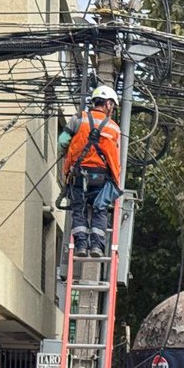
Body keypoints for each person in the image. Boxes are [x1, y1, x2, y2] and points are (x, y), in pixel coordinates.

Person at [62, 85, 122, 257]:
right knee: (100, 210)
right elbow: (115, 158)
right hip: (101, 176)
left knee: (78, 208)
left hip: (78, 174)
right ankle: (96, 247)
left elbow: (62, 141)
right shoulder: (114, 128)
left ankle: (81, 246)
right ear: (108, 104)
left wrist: (66, 158)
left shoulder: (77, 119)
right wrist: (116, 183)